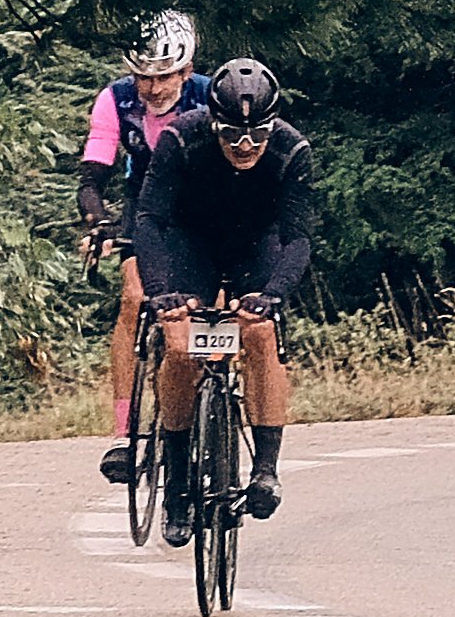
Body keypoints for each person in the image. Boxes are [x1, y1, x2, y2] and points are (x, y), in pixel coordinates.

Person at [123, 57, 321, 519]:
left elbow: (297, 237)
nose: (246, 145)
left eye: (258, 134)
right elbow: (150, 220)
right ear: (214, 124)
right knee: (179, 345)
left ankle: (266, 469)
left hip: (257, 244)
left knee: (259, 334)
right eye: (232, 134)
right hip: (193, 244)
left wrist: (274, 293)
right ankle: (175, 476)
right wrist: (160, 291)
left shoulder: (292, 151)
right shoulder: (180, 139)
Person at [80, 12, 206, 480]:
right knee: (134, 299)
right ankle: (124, 433)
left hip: (203, 201)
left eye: (164, 77)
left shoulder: (211, 97)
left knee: (209, 305)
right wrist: (100, 220)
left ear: (186, 71)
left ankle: (209, 396)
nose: (152, 89)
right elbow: (94, 175)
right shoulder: (115, 100)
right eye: (143, 77)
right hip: (145, 203)